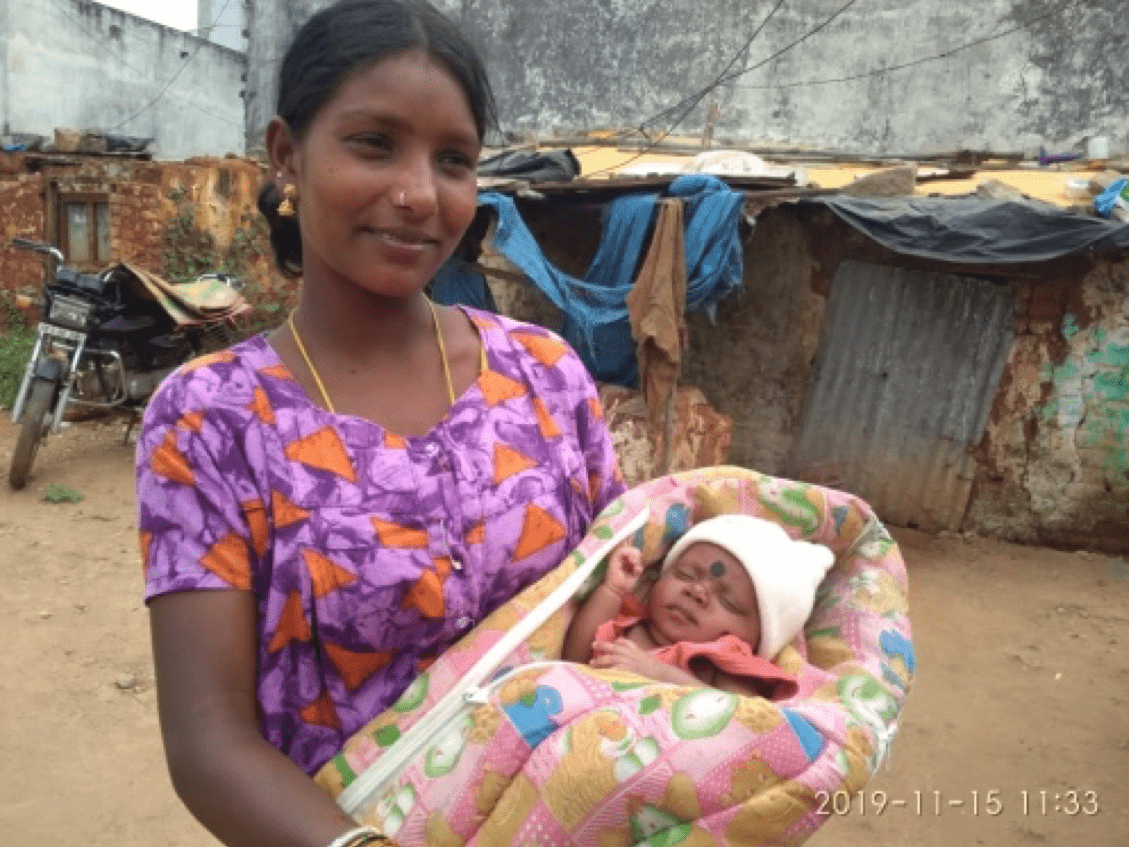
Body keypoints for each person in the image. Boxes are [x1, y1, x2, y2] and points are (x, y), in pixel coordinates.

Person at [135, 3, 625, 847]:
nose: (417, 194)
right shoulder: (210, 421)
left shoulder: (546, 375)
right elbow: (208, 737)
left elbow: (617, 596)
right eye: (374, 143)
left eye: (454, 160)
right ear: (287, 155)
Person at [562, 514, 834, 698]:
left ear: (756, 639)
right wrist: (611, 590)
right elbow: (573, 659)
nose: (696, 591)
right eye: (685, 575)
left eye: (727, 601)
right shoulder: (629, 626)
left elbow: (736, 718)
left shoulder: (726, 660)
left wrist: (659, 673)